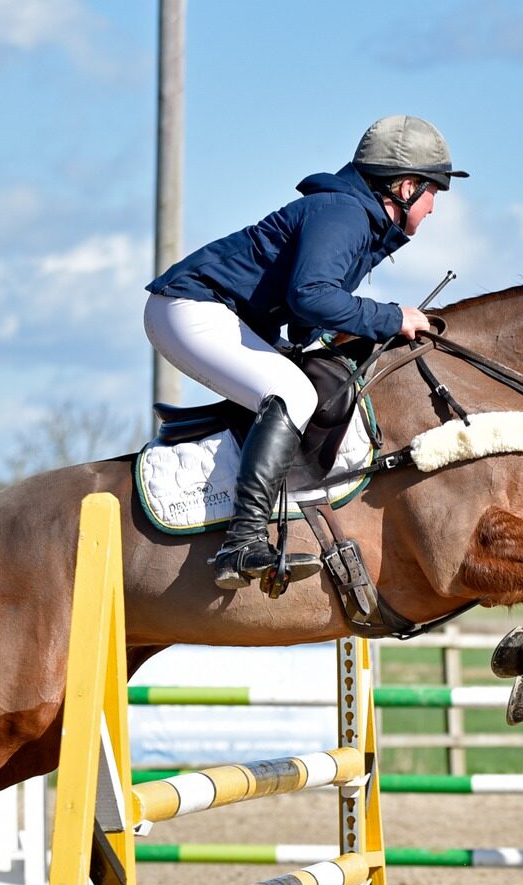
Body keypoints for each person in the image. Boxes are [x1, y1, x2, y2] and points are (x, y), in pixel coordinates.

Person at [144, 114, 466, 589]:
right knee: (293, 393)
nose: (435, 207)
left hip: (213, 312)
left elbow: (305, 316)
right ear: (404, 186)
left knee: (301, 379)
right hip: (191, 308)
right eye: (434, 191)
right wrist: (392, 317)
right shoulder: (344, 213)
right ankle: (242, 541)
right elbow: (311, 295)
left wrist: (362, 330)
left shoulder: (355, 217)